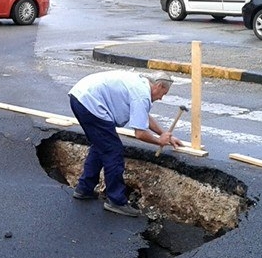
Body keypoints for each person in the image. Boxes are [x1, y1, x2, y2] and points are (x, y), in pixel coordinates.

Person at [68, 70, 184, 217]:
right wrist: (158, 141)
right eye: (163, 93)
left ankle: (84, 189)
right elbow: (140, 133)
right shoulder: (141, 95)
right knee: (113, 150)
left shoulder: (140, 84)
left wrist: (163, 134)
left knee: (101, 145)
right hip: (90, 102)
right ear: (159, 85)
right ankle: (116, 201)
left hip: (80, 97)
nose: (161, 98)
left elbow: (143, 116)